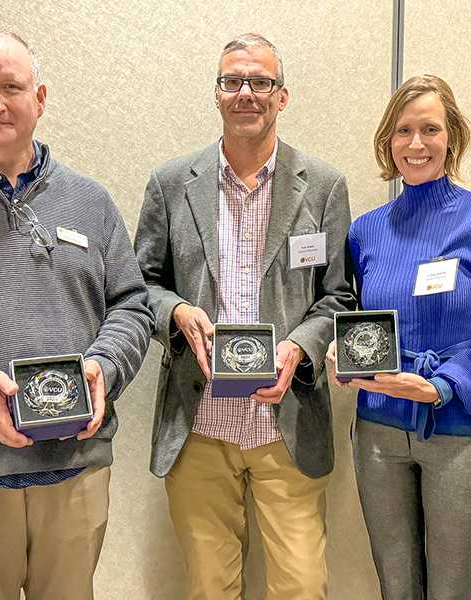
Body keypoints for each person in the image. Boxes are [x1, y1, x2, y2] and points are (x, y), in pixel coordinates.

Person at [0, 28, 153, 600]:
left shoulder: (89, 201)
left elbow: (132, 307)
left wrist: (104, 369)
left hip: (76, 466)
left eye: (11, 86)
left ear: (39, 99)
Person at [134, 33, 354, 599]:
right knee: (210, 589)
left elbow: (337, 297)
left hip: (287, 421)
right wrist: (178, 311)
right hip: (199, 423)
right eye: (234, 81)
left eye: (261, 82)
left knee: (302, 587)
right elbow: (141, 287)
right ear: (217, 93)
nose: (246, 93)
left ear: (283, 96)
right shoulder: (170, 183)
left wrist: (299, 347)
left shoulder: (324, 187)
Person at [327, 74, 471, 599]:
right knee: (396, 585)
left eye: (430, 129)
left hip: (460, 431)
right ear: (387, 142)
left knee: (452, 588)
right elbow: (355, 317)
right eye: (403, 131)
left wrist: (439, 387)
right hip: (377, 430)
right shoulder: (365, 230)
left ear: (452, 137)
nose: (416, 144)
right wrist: (337, 347)